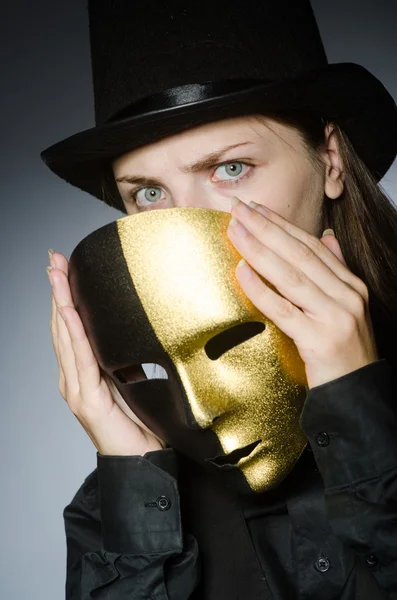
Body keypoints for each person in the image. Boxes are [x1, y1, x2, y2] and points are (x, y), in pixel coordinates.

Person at [41, 1, 397, 598]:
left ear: (330, 161)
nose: (187, 228)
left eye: (231, 168)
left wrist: (360, 414)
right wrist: (132, 483)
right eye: (149, 191)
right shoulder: (130, 495)